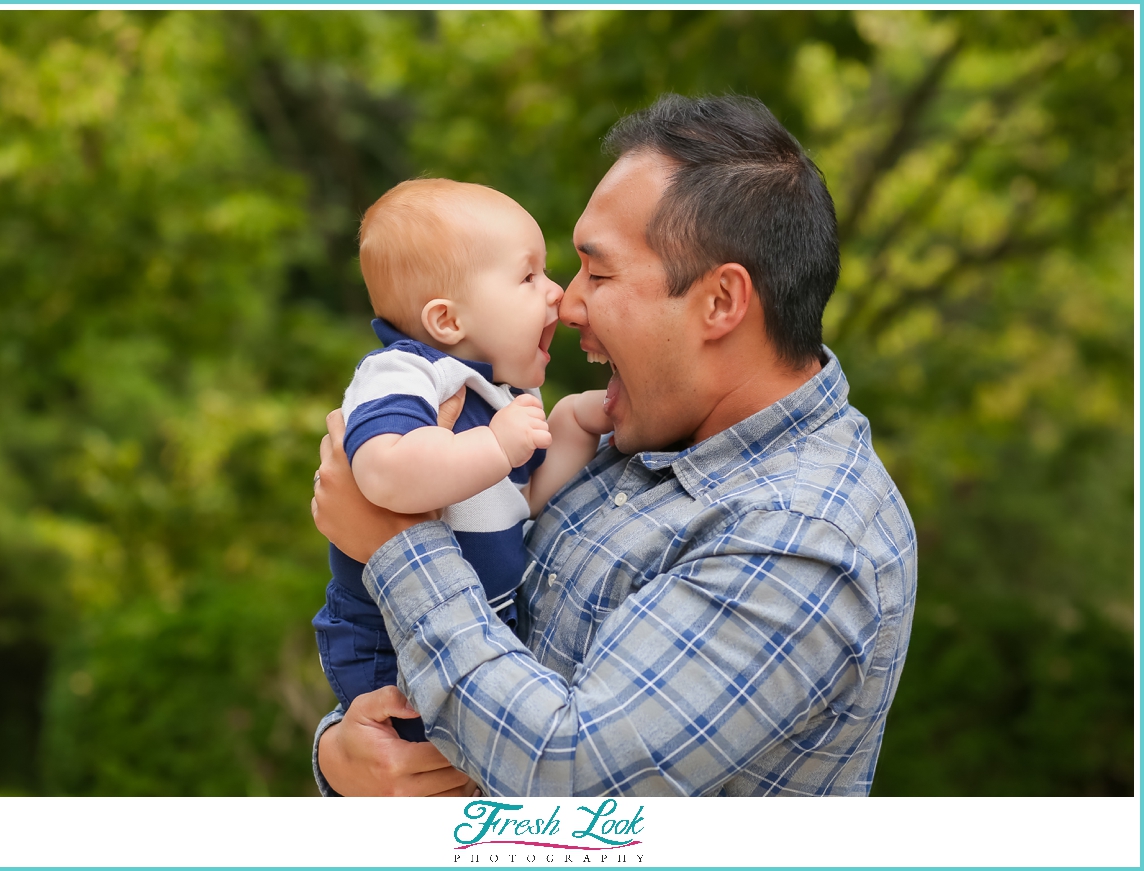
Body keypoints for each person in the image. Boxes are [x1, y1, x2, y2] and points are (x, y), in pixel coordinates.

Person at [310, 94, 917, 796]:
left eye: (598, 274)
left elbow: (566, 771)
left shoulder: (802, 537)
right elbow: (471, 661)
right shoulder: (641, 436)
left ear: (720, 302)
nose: (566, 305)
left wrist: (395, 543)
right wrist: (344, 757)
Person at [314, 178, 612, 743]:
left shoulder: (496, 394)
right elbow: (382, 472)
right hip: (390, 649)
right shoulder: (406, 375)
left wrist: (574, 423)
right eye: (529, 277)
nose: (557, 295)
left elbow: (523, 499)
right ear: (447, 322)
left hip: (468, 634)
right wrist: (496, 446)